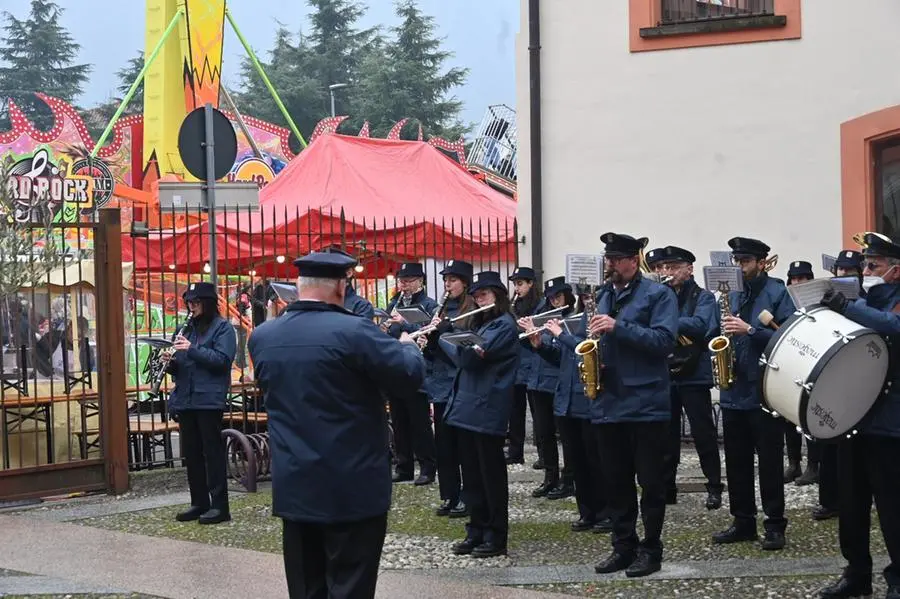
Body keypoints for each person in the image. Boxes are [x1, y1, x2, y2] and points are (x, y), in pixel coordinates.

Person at [248, 251, 425, 599]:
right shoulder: (354, 331)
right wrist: (408, 348)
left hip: (296, 482)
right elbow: (406, 377)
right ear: (341, 286)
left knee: (305, 586)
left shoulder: (263, 336)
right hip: (352, 485)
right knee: (350, 586)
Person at [588, 233, 679, 578]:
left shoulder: (659, 294)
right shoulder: (603, 295)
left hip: (646, 403)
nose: (609, 264)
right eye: (607, 258)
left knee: (652, 483)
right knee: (615, 481)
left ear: (632, 260)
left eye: (615, 259)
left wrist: (617, 326)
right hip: (609, 402)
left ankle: (651, 549)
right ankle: (623, 545)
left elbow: (664, 341)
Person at [818, 234, 900, 599]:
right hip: (852, 416)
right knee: (851, 504)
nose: (866, 271)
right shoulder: (859, 300)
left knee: (893, 506)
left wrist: (848, 307)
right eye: (865, 265)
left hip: (890, 422)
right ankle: (857, 573)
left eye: (874, 265)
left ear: (895, 270)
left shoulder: (879, 303)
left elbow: (893, 326)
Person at [712, 237, 793, 551]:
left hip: (764, 389)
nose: (740, 267)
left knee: (770, 462)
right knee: (736, 461)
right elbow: (713, 330)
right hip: (734, 389)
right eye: (737, 261)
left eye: (745, 262)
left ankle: (774, 524)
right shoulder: (729, 293)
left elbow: (786, 336)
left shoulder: (777, 292)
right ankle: (742, 521)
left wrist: (750, 331)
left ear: (762, 262)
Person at [440, 271, 520, 558]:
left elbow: (470, 359)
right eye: (476, 296)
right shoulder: (481, 323)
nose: (479, 299)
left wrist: (445, 336)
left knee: (490, 477)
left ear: (497, 296)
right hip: (466, 407)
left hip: (487, 408)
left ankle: (495, 535)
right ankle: (476, 528)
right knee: (471, 476)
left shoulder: (504, 325)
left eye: (484, 295)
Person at [526, 276, 610, 533]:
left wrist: (561, 335)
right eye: (584, 297)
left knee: (597, 462)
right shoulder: (572, 321)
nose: (587, 301)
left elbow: (590, 350)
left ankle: (606, 513)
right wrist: (540, 346)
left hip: (589, 399)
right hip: (566, 399)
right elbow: (561, 358)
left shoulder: (598, 324)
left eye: (590, 297)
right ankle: (587, 512)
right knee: (576, 461)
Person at [164, 281, 236, 525]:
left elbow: (222, 361)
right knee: (192, 454)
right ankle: (199, 502)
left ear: (207, 304)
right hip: (186, 398)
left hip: (208, 399)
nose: (191, 307)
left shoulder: (223, 329)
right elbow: (181, 367)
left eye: (196, 303)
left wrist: (191, 349)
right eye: (189, 303)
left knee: (212, 453)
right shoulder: (186, 329)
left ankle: (219, 506)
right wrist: (171, 361)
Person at [657, 245, 723, 510]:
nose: (668, 272)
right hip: (666, 372)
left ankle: (715, 487)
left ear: (689, 269)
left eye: (673, 267)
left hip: (695, 374)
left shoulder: (703, 297)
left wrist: (668, 318)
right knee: (666, 435)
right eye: (665, 267)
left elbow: (701, 326)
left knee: (703, 433)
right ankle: (667, 487)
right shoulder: (662, 295)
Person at [813, 250, 865, 523]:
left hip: (859, 379)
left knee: (854, 450)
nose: (843, 276)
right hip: (832, 377)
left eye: (849, 271)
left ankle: (853, 500)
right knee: (829, 445)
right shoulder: (829, 300)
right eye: (840, 271)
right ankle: (830, 500)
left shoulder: (868, 301)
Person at [421, 260, 475, 518]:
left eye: (452, 280)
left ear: (465, 282)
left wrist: (447, 331)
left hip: (462, 385)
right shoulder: (441, 310)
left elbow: (465, 347)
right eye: (445, 280)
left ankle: (467, 495)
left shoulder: (473, 310)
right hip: (441, 385)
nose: (447, 285)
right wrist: (430, 339)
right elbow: (436, 354)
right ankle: (449, 494)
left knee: (463, 446)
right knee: (444, 445)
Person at [383, 262, 438, 485]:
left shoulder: (429, 305)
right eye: (401, 281)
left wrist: (406, 324)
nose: (404, 285)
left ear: (420, 281)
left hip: (418, 367)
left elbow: (429, 333)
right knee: (399, 420)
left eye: (408, 281)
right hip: (397, 366)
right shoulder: (393, 303)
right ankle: (403, 465)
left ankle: (427, 466)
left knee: (419, 421)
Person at [783, 260, 818, 485]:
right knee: (789, 417)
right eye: (794, 279)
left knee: (809, 416)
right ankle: (794, 463)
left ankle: (813, 465)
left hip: (811, 362)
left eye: (803, 278)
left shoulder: (819, 301)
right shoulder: (784, 301)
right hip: (790, 362)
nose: (798, 283)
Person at [507, 266, 541, 466]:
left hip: (533, 361)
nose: (517, 288)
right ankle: (515, 451)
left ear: (530, 284)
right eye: (515, 284)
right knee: (515, 410)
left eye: (520, 284)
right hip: (517, 363)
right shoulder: (513, 305)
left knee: (538, 411)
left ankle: (543, 453)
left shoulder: (539, 304)